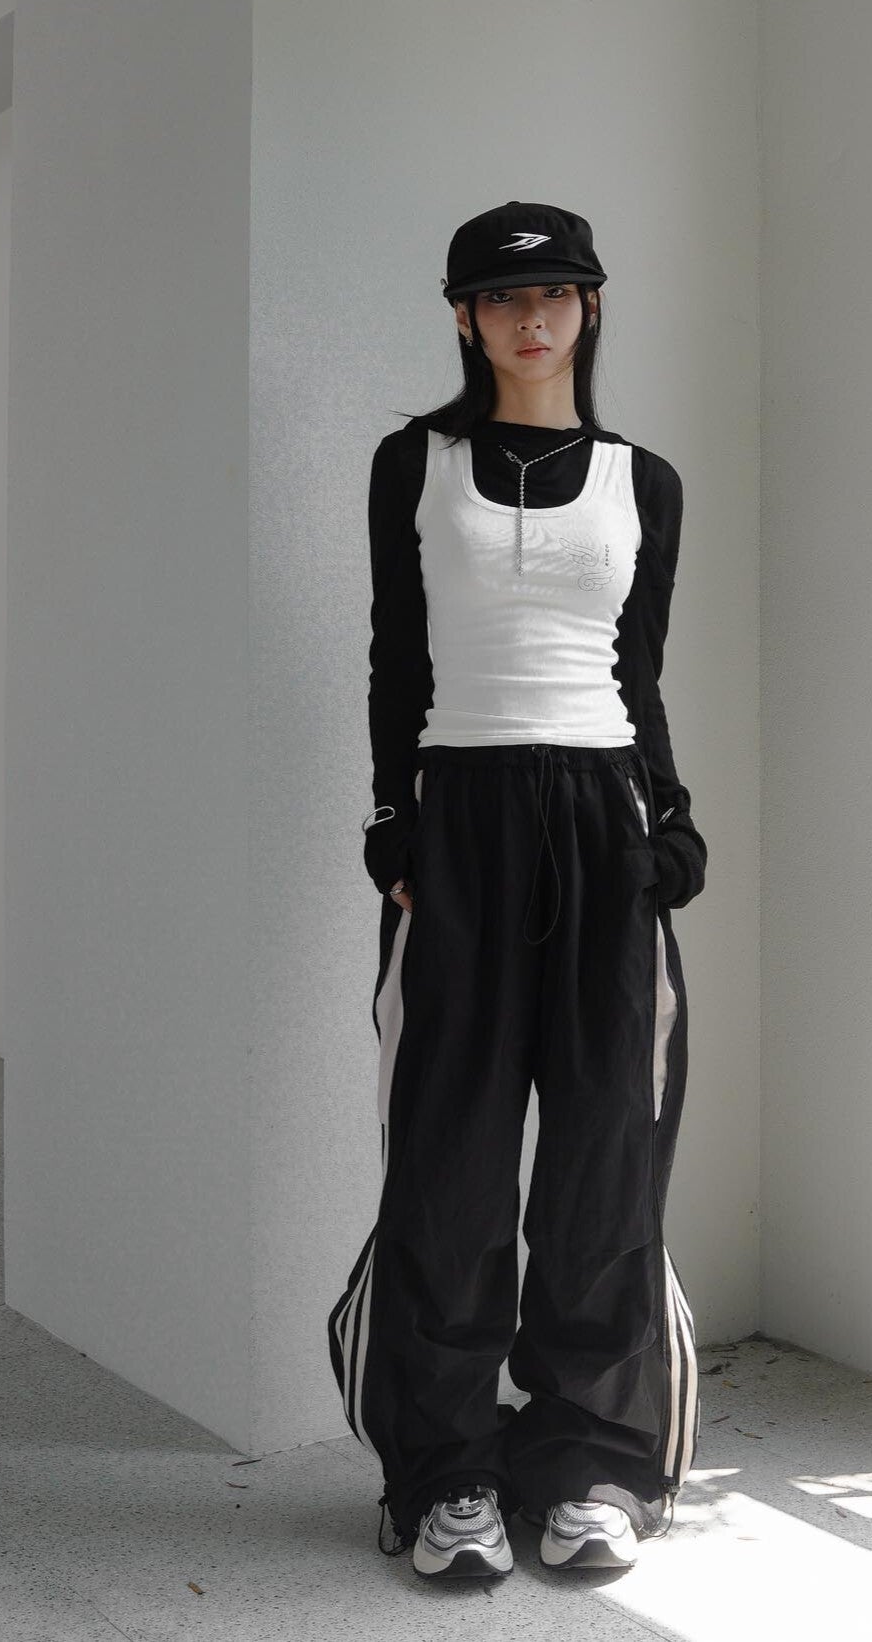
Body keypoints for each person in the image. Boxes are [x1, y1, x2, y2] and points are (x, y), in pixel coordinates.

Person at [327, 200, 707, 1580]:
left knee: (605, 1156)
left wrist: (671, 816)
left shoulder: (642, 481)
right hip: (465, 818)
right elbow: (397, 657)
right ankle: (444, 1477)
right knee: (451, 1166)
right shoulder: (413, 464)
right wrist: (394, 824)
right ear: (464, 316)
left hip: (604, 820)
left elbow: (637, 671)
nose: (529, 318)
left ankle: (588, 1466)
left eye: (553, 294)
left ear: (590, 308)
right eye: (500, 298)